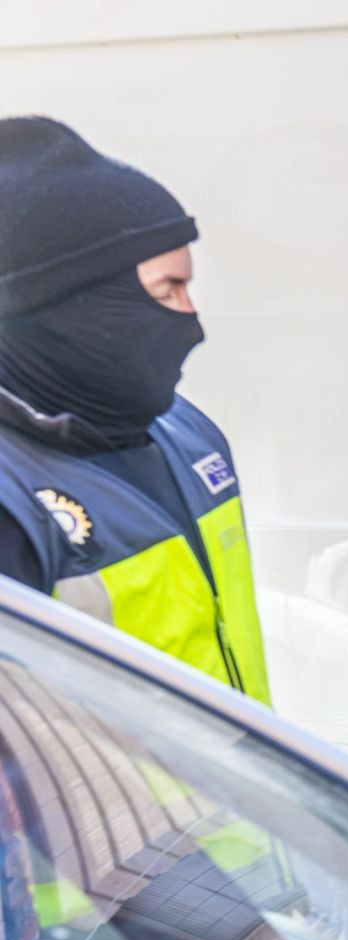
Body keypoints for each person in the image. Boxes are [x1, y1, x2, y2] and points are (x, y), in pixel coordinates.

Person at [0, 116, 268, 703]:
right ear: (63, 305)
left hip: (235, 792)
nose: (189, 322)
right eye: (163, 291)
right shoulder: (11, 502)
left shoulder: (186, 433)